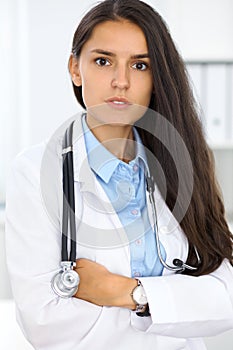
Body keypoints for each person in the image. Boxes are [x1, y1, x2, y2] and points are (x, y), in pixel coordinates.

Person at [5, 0, 233, 349]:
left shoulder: (184, 165)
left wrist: (126, 292)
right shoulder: (36, 172)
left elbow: (227, 297)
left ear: (157, 78)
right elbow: (44, 322)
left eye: (140, 65)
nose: (121, 81)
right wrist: (173, 308)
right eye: (102, 61)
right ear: (75, 69)